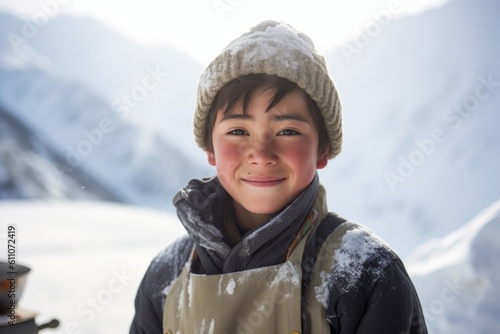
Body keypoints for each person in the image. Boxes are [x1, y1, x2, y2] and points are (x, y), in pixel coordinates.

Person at [130, 20, 427, 334]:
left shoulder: (366, 277)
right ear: (210, 149)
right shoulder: (167, 276)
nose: (261, 153)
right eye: (238, 131)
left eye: (287, 131)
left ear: (322, 148)